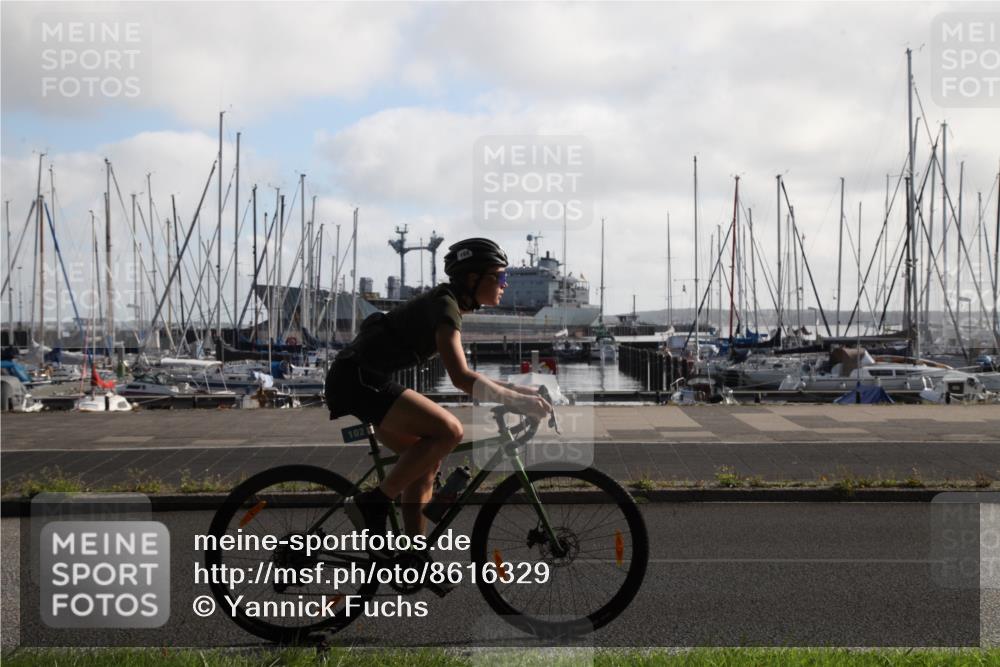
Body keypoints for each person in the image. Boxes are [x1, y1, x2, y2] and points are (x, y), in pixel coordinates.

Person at [324, 238, 551, 538]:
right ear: (473, 278)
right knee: (450, 431)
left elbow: (466, 375)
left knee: (425, 464)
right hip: (358, 381)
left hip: (360, 379)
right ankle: (374, 503)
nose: (505, 284)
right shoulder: (445, 306)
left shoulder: (446, 303)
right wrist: (518, 403)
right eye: (500, 276)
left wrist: (518, 391)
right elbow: (461, 378)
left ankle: (414, 557)